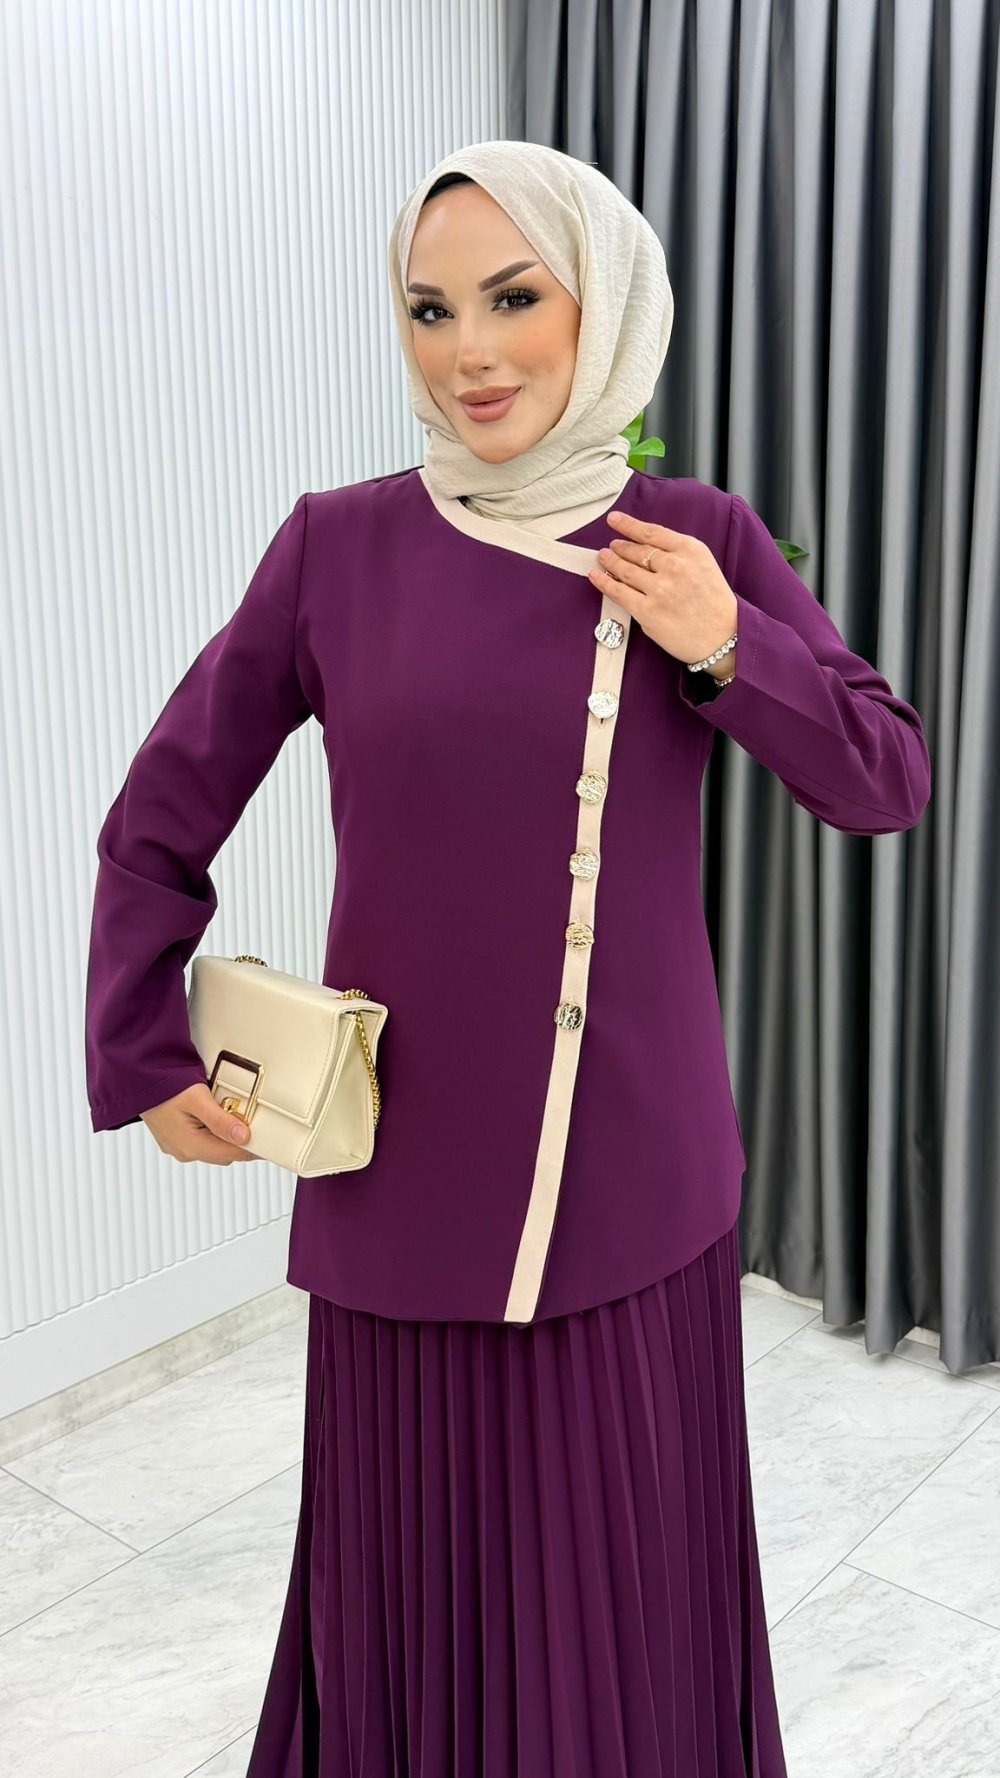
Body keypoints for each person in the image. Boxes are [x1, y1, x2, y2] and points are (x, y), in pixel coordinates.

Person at [84, 140, 932, 1775]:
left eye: (512, 298)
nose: (468, 351)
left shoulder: (691, 538)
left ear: (598, 304)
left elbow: (883, 779)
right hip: (400, 1182)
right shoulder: (338, 549)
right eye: (429, 309)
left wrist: (727, 642)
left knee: (617, 1602)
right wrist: (143, 1045)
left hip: (631, 1187)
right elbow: (161, 808)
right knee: (414, 1598)